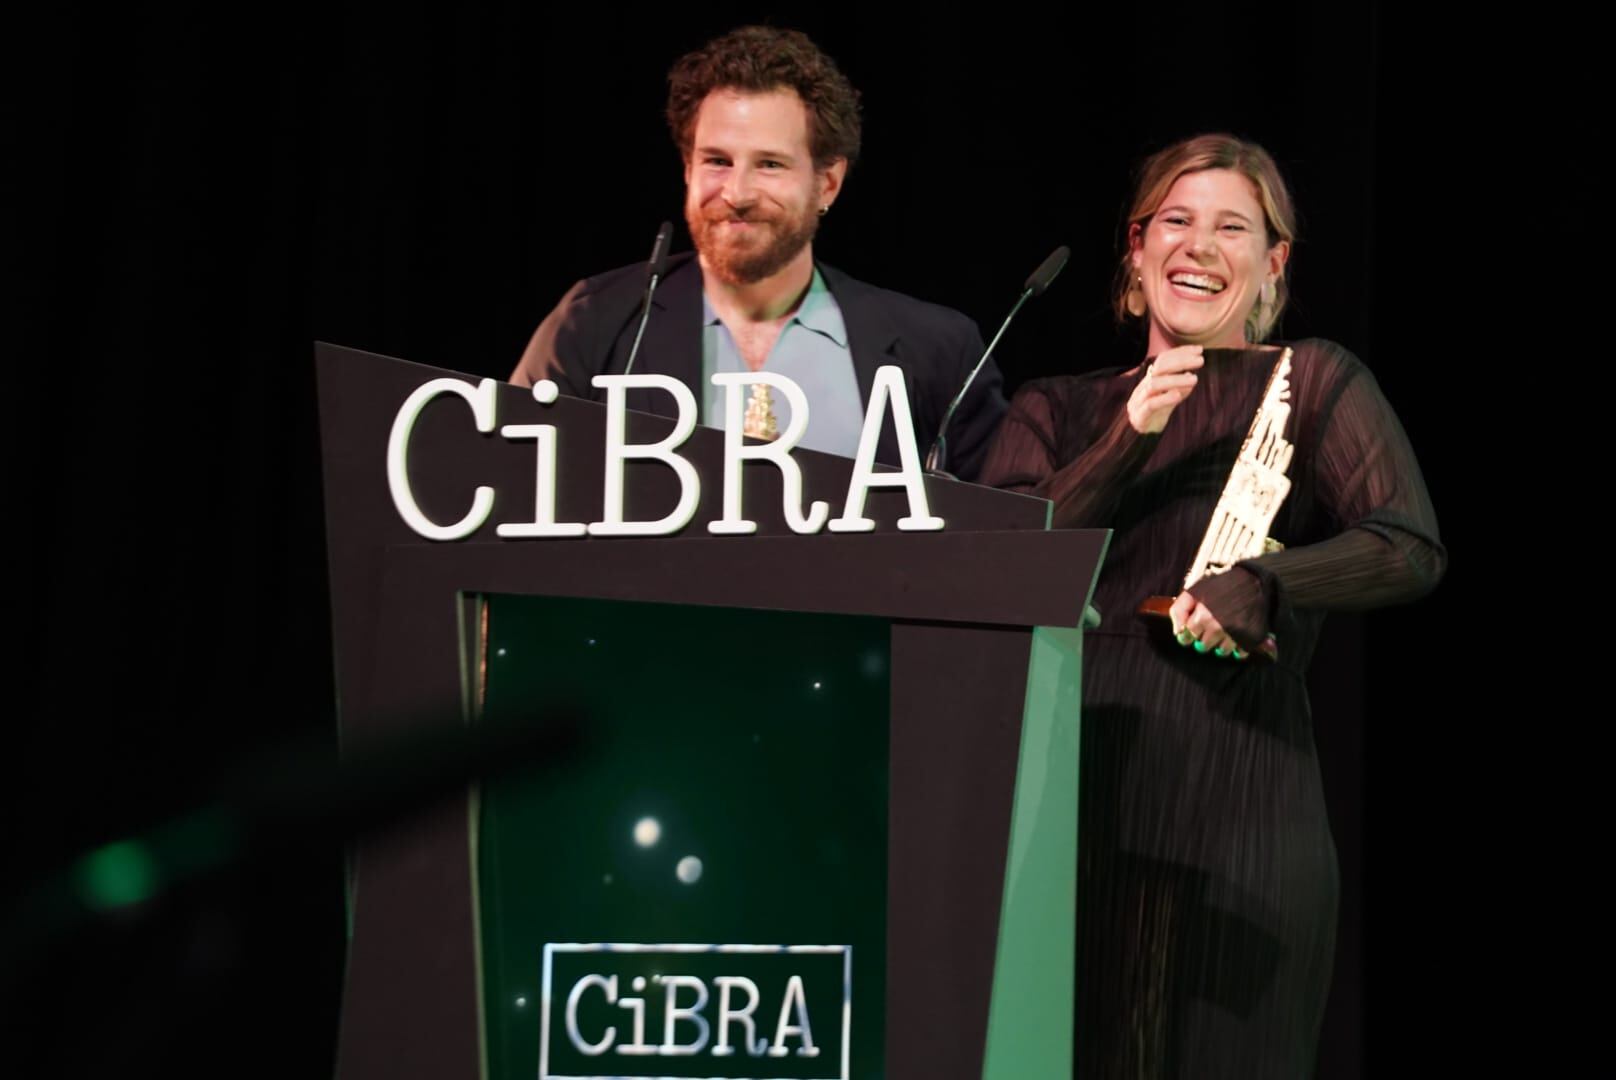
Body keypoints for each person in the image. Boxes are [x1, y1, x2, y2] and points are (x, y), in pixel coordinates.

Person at [980, 133, 1445, 1077]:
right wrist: (1130, 433)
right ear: (1137, 247)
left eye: (1233, 227)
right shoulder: (1054, 407)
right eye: (1176, 221)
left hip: (1242, 809)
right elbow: (1001, 566)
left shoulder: (1310, 381)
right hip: (1070, 805)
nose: (1199, 245)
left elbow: (1408, 544)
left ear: (1273, 261)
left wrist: (1271, 584)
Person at [511, 25, 1006, 481]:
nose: (737, 193)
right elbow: (508, 488)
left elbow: (1006, 534)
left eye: (770, 164)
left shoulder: (937, 350)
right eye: (717, 161)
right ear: (687, 168)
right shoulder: (594, 323)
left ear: (828, 183)